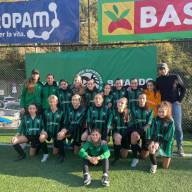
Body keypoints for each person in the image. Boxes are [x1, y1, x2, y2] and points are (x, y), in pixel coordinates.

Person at [156, 63, 186, 156]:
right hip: (164, 106)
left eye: (164, 68)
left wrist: (179, 100)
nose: (162, 70)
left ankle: (180, 147)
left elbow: (184, 89)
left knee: (177, 126)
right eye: (160, 69)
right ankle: (164, 147)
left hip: (175, 104)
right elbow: (153, 90)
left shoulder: (175, 77)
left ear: (168, 69)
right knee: (164, 126)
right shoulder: (158, 80)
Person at [147, 101, 175, 173]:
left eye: (163, 112)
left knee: (165, 166)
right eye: (159, 112)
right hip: (156, 141)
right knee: (151, 147)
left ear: (167, 111)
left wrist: (158, 143)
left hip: (166, 143)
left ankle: (160, 154)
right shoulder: (155, 119)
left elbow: (168, 136)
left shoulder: (171, 121)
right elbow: (153, 132)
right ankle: (154, 164)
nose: (161, 113)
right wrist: (152, 141)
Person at [129, 93, 153, 168]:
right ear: (138, 99)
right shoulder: (134, 109)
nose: (141, 100)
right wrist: (136, 131)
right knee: (133, 135)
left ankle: (143, 149)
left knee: (143, 157)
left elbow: (149, 124)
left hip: (146, 132)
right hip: (136, 130)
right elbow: (132, 121)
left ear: (146, 100)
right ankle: (135, 157)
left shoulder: (150, 110)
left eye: (143, 98)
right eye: (140, 98)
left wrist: (141, 131)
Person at [39, 95, 65, 163]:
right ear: (48, 102)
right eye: (50, 102)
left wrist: (62, 131)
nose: (52, 103)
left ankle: (62, 155)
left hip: (57, 132)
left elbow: (63, 123)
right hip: (48, 132)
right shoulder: (45, 111)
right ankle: (45, 154)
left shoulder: (61, 112)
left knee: (55, 153)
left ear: (56, 102)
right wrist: (43, 130)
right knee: (41, 138)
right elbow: (43, 122)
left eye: (53, 102)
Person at [111, 97, 131, 165]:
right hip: (116, 133)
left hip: (126, 135)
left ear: (125, 105)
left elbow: (131, 126)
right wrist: (107, 135)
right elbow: (108, 124)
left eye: (122, 103)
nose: (120, 104)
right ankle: (116, 158)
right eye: (118, 102)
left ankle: (123, 148)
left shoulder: (129, 113)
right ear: (116, 104)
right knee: (118, 137)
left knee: (124, 156)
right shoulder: (113, 112)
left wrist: (127, 136)